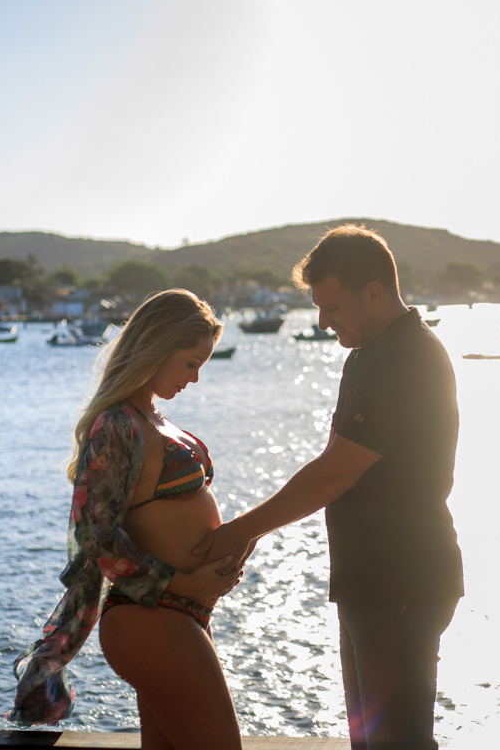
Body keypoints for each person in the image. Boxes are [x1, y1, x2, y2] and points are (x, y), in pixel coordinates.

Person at [194, 225, 463, 750]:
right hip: (369, 583)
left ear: (374, 293)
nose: (323, 321)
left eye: (332, 306)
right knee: (370, 742)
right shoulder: (366, 355)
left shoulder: (406, 357)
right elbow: (333, 463)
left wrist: (240, 532)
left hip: (402, 582)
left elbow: (336, 471)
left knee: (398, 744)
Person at [10, 289, 244, 750]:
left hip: (180, 616)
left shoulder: (151, 419)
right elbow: (96, 537)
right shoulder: (117, 424)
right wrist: (183, 583)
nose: (195, 379)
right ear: (157, 347)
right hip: (152, 617)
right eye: (190, 363)